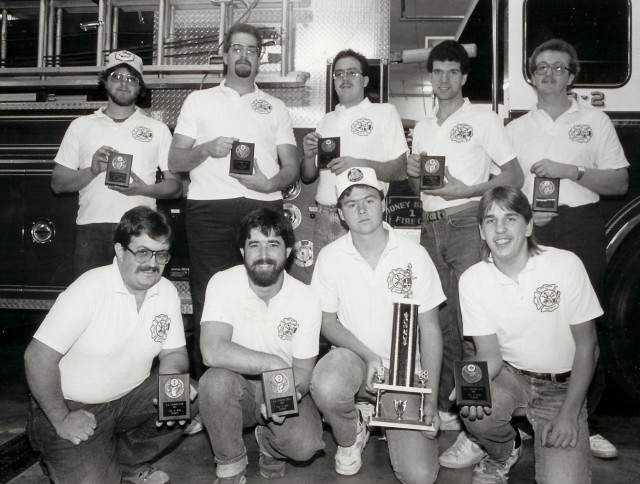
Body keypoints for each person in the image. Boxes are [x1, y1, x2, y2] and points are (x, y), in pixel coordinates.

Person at [506, 38, 628, 459]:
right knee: (531, 316)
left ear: (572, 76)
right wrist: (524, 216)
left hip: (580, 226)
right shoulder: (516, 129)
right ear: (532, 76)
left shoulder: (595, 121)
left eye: (558, 68)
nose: (548, 74)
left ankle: (584, 420)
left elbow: (620, 183)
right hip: (534, 230)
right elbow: (503, 191)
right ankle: (525, 421)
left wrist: (572, 170)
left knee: (583, 322)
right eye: (541, 68)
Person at [406, 39, 524, 442]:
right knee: (436, 320)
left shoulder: (484, 119)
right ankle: (446, 408)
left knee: (469, 320)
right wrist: (411, 173)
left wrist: (468, 191)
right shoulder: (423, 127)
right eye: (437, 71)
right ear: (431, 77)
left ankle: (477, 426)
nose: (443, 79)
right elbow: (420, 185)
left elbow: (514, 175)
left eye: (452, 72)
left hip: (462, 224)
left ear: (464, 76)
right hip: (428, 225)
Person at [24, 206, 195, 484]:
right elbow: (36, 358)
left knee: (187, 394)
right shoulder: (90, 288)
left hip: (127, 399)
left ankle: (127, 463)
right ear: (119, 250)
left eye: (161, 254)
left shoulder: (166, 291)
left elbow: (174, 352)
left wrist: (171, 385)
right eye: (142, 252)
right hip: (71, 406)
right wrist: (61, 418)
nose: (152, 263)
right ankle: (68, 450)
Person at [168, 23, 299, 378]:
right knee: (208, 294)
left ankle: (269, 380)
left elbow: (292, 166)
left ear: (260, 59)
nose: (244, 55)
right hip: (209, 208)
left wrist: (269, 181)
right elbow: (175, 162)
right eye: (237, 48)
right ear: (225, 54)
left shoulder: (275, 106)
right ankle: (207, 385)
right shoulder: (199, 100)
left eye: (252, 50)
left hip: (264, 207)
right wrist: (207, 149)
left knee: (265, 292)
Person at [455, 185, 600, 484]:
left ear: (529, 224)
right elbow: (489, 355)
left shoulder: (565, 264)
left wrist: (570, 414)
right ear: (481, 231)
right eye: (490, 221)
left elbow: (589, 348)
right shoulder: (472, 280)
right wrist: (469, 388)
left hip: (561, 388)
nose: (500, 229)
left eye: (510, 218)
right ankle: (505, 451)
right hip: (512, 376)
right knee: (474, 411)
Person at [309, 167, 445, 484]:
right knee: (327, 384)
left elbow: (431, 331)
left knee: (420, 476)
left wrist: (432, 399)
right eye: (351, 203)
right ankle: (353, 429)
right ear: (341, 214)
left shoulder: (414, 254)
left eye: (369, 200)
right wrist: (370, 356)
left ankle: (387, 415)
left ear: (383, 202)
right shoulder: (330, 257)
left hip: (405, 375)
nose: (361, 210)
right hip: (355, 364)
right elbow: (326, 322)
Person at [198, 208, 324, 484]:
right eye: (254, 244)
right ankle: (230, 465)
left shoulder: (306, 298)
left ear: (289, 251)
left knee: (305, 446)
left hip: (283, 385)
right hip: (236, 387)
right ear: (243, 251)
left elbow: (302, 373)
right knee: (214, 382)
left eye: (273, 245)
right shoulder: (222, 283)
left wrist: (281, 392)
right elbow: (211, 350)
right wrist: (272, 363)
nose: (263, 254)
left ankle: (268, 444)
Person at [51, 50, 181, 278]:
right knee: (92, 304)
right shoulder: (81, 126)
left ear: (140, 87)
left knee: (139, 300)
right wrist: (92, 171)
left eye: (131, 78)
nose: (124, 83)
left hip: (141, 230)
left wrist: (144, 189)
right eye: (117, 76)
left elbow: (176, 186)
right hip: (92, 228)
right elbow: (58, 184)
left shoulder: (157, 129)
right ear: (105, 81)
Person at [300, 48, 408, 255]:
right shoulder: (326, 120)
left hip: (362, 216)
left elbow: (400, 170)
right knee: (326, 285)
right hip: (324, 216)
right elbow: (308, 176)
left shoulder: (385, 112)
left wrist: (360, 164)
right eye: (339, 74)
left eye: (352, 73)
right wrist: (307, 156)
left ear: (365, 81)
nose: (345, 78)